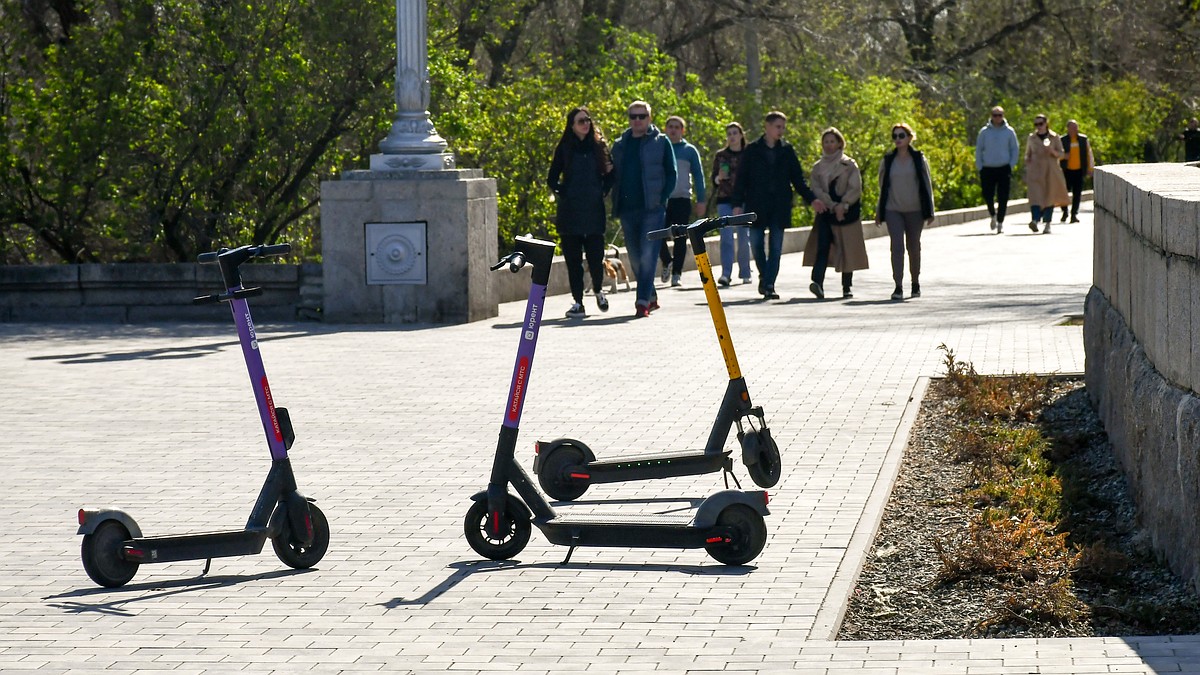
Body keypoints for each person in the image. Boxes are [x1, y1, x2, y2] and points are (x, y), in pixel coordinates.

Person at [732, 111, 826, 300]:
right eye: (778, 126)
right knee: (757, 245)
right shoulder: (752, 150)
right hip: (756, 205)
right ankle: (764, 275)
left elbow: (798, 180)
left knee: (775, 248)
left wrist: (812, 199)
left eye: (783, 127)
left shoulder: (787, 150)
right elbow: (741, 178)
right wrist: (737, 204)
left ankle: (769, 284)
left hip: (779, 206)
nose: (781, 131)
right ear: (767, 126)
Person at [610, 100, 677, 317]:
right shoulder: (620, 144)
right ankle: (652, 296)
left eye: (642, 116)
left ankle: (641, 303)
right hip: (628, 209)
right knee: (636, 257)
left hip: (653, 209)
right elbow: (612, 174)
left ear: (649, 118)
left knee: (648, 255)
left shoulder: (661, 142)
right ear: (629, 119)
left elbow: (672, 173)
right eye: (633, 116)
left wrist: (662, 199)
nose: (637, 121)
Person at [547, 106, 614, 319]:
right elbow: (552, 178)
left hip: (593, 210)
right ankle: (577, 302)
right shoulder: (565, 148)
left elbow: (611, 173)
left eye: (587, 120)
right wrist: (564, 192)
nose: (586, 123)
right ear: (572, 125)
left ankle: (598, 290)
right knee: (573, 260)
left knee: (596, 257)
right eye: (580, 121)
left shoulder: (599, 146)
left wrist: (602, 191)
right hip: (570, 212)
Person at [803, 127, 869, 300]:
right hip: (826, 212)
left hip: (847, 213)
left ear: (839, 143)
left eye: (832, 141)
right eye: (826, 142)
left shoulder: (849, 164)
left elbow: (855, 188)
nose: (829, 145)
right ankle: (817, 282)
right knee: (822, 246)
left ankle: (846, 287)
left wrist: (843, 205)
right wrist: (832, 205)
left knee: (847, 248)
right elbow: (816, 188)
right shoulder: (818, 167)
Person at [876, 123, 935, 301]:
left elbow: (927, 184)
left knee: (913, 246)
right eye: (895, 136)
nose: (898, 140)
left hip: (915, 209)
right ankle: (898, 286)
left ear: (909, 138)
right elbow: (882, 187)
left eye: (901, 136)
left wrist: (930, 210)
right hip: (893, 209)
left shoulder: (918, 159)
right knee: (897, 247)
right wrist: (879, 211)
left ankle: (915, 282)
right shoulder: (887, 160)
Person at [661, 116, 706, 287]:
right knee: (658, 233)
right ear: (665, 129)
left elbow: (698, 176)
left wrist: (701, 200)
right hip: (663, 199)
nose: (673, 130)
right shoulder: (661, 148)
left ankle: (676, 273)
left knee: (680, 237)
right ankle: (667, 261)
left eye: (677, 127)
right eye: (670, 126)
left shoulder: (689, 150)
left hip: (682, 199)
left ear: (682, 130)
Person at [712, 122, 752, 287]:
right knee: (726, 238)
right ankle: (726, 273)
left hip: (744, 200)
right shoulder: (721, 155)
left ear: (741, 135)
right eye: (729, 134)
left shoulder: (749, 154)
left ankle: (745, 272)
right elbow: (713, 180)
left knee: (743, 237)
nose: (732, 136)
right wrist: (718, 178)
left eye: (735, 133)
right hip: (724, 200)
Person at [975, 106, 1020, 234]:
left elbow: (1014, 149)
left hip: (1004, 168)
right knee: (987, 194)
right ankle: (992, 214)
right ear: (991, 116)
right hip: (987, 168)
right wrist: (980, 166)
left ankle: (1000, 222)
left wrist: (1011, 165)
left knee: (1003, 197)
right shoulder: (984, 132)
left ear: (1003, 116)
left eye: (1000, 115)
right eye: (995, 115)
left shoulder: (1009, 131)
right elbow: (979, 149)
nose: (997, 118)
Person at [1024, 113, 1070, 234]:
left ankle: (1047, 223)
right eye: (1036, 124)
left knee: (1049, 197)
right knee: (1035, 196)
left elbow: (1062, 154)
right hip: (1036, 171)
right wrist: (1027, 161)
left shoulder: (1054, 137)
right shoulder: (1031, 138)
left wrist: (1052, 151)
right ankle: (1034, 220)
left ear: (1046, 124)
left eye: (1041, 123)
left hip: (1051, 171)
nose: (1038, 126)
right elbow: (1027, 153)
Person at [1058, 120, 1094, 224]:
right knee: (1063, 193)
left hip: (1079, 171)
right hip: (1066, 171)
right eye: (1072, 128)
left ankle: (1074, 214)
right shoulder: (1062, 140)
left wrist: (1090, 168)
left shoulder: (1083, 139)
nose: (1074, 130)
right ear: (1068, 129)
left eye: (1076, 127)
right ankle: (1065, 211)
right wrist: (1063, 156)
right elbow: (1057, 155)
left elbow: (1089, 154)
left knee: (1077, 194)